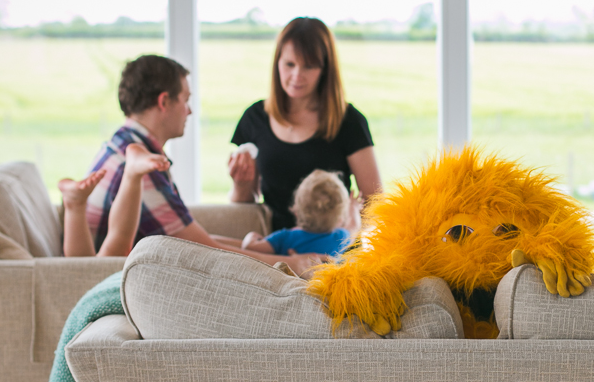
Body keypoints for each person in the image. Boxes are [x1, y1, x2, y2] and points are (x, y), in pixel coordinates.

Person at [78, 53, 322, 273]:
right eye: (185, 100)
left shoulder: (120, 144)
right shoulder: (142, 165)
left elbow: (192, 239)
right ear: (164, 102)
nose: (190, 111)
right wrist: (291, 264)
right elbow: (201, 248)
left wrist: (275, 250)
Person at [227, 17, 382, 233]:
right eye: (290, 64)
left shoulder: (349, 121)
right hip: (275, 249)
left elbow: (375, 204)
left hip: (333, 253)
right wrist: (240, 185)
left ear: (325, 70)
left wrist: (345, 236)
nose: (297, 75)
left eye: (309, 66)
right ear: (277, 63)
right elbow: (244, 208)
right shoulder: (255, 118)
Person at [241, 170, 361, 274]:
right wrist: (354, 208)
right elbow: (354, 226)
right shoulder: (341, 237)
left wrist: (251, 236)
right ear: (340, 220)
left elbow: (250, 248)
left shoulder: (286, 238)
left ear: (296, 210)